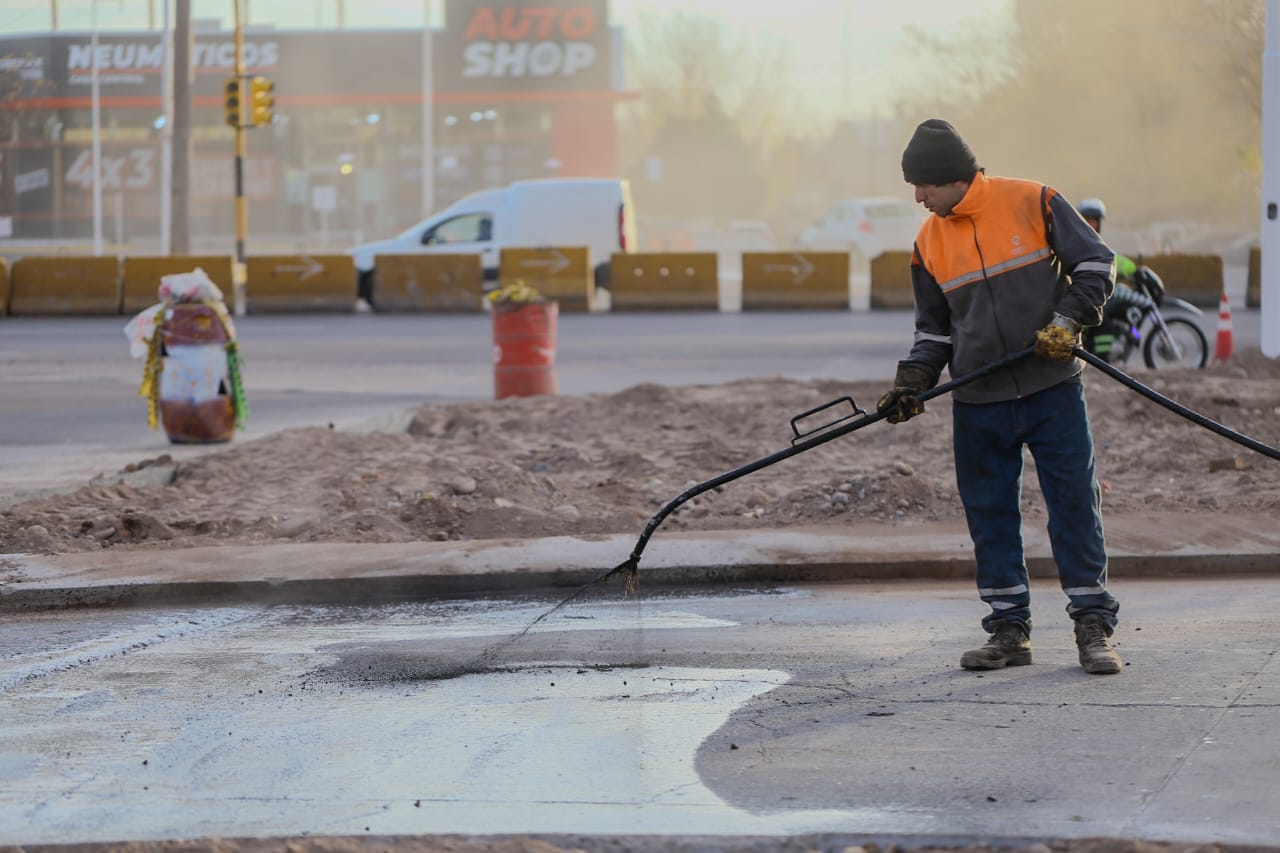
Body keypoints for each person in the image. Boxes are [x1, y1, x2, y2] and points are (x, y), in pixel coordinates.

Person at [877, 119, 1123, 675]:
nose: (918, 198)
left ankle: (1092, 626)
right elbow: (934, 332)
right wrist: (912, 381)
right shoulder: (928, 243)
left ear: (952, 178)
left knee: (1073, 505)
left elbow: (1096, 263)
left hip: (1051, 389)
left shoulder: (1033, 200)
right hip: (979, 401)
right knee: (989, 515)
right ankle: (1009, 630)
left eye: (925, 186)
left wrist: (1068, 320)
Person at [1076, 198, 1159, 362]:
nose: (1091, 225)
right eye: (1088, 220)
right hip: (1084, 293)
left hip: (1089, 291)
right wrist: (1133, 269)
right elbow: (1111, 259)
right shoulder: (1084, 240)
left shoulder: (1087, 239)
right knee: (1103, 320)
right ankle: (1102, 359)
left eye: (1094, 221)